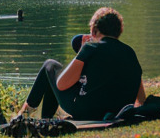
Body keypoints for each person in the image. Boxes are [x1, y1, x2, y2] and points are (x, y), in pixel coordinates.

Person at [17, 7, 145, 121]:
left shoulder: (90, 48)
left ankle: (24, 114)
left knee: (50, 65)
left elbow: (61, 84)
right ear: (119, 31)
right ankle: (45, 120)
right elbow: (141, 98)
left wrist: (81, 53)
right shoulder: (130, 52)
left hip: (87, 111)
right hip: (118, 111)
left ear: (94, 31)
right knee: (54, 78)